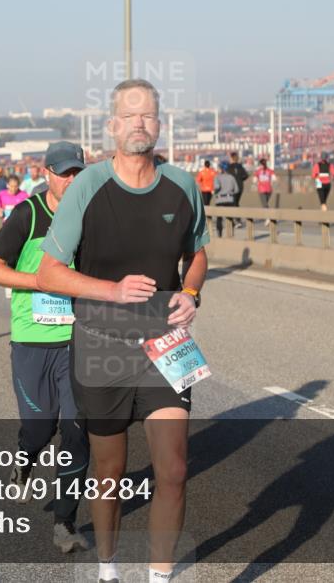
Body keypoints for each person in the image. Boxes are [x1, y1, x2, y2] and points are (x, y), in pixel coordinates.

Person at [37, 79, 209, 583]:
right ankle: (108, 569)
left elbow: (196, 253)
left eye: (149, 115)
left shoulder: (182, 185)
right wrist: (111, 291)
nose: (140, 122)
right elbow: (50, 272)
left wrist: (191, 293)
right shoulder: (89, 186)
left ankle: (159, 577)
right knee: (109, 473)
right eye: (130, 115)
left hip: (166, 344)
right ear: (112, 126)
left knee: (174, 470)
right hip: (101, 344)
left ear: (160, 124)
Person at [0, 141, 90, 554]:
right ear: (47, 175)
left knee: (77, 431)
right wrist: (42, 282)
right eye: (64, 173)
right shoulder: (28, 214)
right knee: (41, 426)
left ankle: (65, 522)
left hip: (79, 341)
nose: (72, 180)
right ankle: (24, 464)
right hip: (31, 339)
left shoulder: (91, 216)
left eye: (78, 172)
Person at [213, 161, 239, 238]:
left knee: (219, 218)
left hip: (220, 200)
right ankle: (231, 234)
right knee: (230, 217)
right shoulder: (231, 177)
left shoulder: (217, 177)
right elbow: (236, 190)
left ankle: (220, 235)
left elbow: (217, 187)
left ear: (221, 169)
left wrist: (216, 191)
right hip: (230, 199)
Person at [226, 152, 248, 223]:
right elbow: (246, 175)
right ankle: (237, 219)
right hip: (240, 187)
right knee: (236, 202)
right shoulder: (240, 166)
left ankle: (236, 220)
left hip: (232, 187)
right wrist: (240, 179)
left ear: (232, 158)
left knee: (233, 202)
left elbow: (227, 176)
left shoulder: (229, 167)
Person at [254, 158, 275, 226]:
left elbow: (254, 180)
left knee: (264, 204)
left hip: (261, 189)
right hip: (269, 189)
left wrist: (258, 182)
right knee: (266, 203)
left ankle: (268, 217)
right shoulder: (270, 171)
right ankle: (269, 217)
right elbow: (274, 179)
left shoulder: (258, 171)